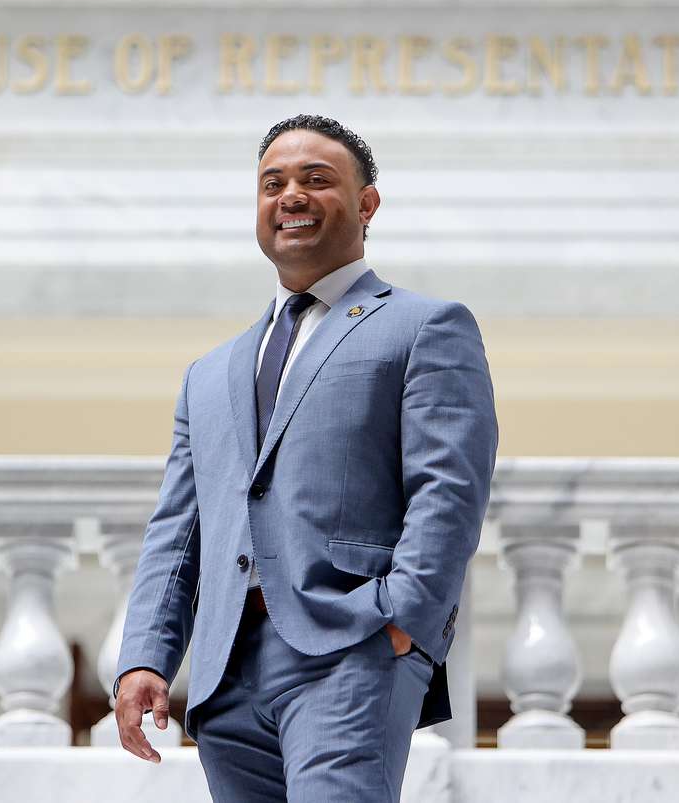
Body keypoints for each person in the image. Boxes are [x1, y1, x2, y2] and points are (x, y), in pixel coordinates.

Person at [111, 114, 498, 801]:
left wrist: (403, 617)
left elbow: (449, 490)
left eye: (316, 180)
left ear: (367, 203)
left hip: (351, 647)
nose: (290, 194)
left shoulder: (425, 326)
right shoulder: (210, 372)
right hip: (227, 672)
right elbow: (180, 526)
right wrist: (146, 653)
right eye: (273, 183)